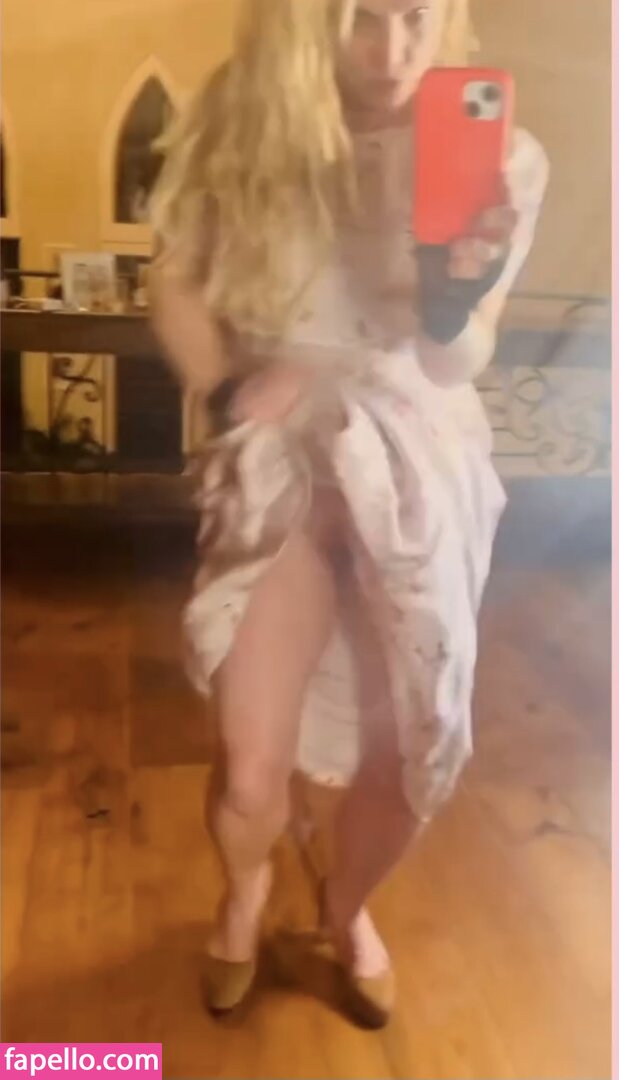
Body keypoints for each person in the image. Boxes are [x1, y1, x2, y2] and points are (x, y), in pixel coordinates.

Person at [150, 0, 548, 1028]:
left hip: (414, 468)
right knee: (249, 771)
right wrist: (226, 388)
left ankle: (345, 906)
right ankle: (244, 896)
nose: (392, 51)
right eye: (360, 18)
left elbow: (455, 361)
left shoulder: (499, 156)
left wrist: (453, 297)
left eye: (416, 16)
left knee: (405, 753)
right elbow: (176, 282)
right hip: (278, 457)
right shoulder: (239, 124)